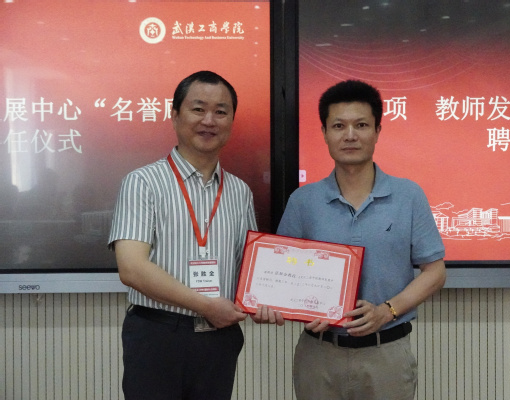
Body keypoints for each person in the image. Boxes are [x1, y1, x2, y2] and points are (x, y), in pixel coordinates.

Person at [108, 70, 281, 400]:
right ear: (175, 116)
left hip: (220, 338)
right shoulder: (142, 182)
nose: (209, 121)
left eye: (221, 111)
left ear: (231, 120)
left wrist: (266, 301)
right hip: (158, 334)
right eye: (198, 109)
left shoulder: (239, 192)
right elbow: (131, 269)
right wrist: (206, 306)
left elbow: (250, 270)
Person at [277, 79, 446, 400]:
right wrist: (295, 306)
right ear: (324, 133)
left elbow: (435, 272)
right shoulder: (303, 201)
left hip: (386, 354)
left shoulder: (408, 196)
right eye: (339, 126)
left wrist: (387, 311)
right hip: (319, 355)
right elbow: (283, 275)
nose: (350, 135)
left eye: (362, 125)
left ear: (377, 131)